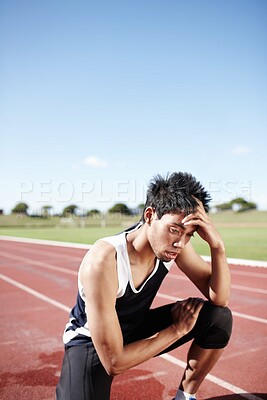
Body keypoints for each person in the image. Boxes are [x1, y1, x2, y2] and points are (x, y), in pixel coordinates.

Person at [56, 172, 232, 400]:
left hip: (134, 326)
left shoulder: (173, 247)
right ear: (150, 215)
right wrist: (176, 330)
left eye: (190, 234)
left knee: (218, 317)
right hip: (92, 342)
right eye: (175, 230)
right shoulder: (104, 261)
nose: (181, 242)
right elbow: (114, 362)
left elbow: (220, 298)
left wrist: (218, 246)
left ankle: (185, 397)